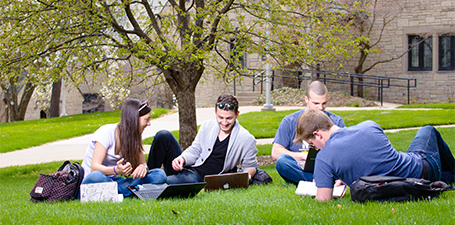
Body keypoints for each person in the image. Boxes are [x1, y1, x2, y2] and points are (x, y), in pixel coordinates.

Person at [294, 109, 455, 201]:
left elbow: (323, 199)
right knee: (428, 130)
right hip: (424, 169)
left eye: (313, 144)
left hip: (410, 184)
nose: (315, 149)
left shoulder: (324, 158)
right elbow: (378, 159)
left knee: (427, 131)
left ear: (317, 134)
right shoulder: (369, 126)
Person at [147, 94, 258, 184]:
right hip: (186, 168)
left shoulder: (246, 139)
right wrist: (182, 158)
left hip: (199, 178)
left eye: (229, 118)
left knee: (167, 182)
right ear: (215, 113)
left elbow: (251, 166)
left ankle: (153, 182)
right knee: (163, 135)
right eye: (220, 117)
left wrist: (245, 177)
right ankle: (150, 175)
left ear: (237, 114)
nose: (224, 123)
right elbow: (195, 149)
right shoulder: (207, 126)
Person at [81, 98, 166, 197]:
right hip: (96, 181)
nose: (149, 123)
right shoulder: (106, 132)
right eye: (146, 120)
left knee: (159, 175)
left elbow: (142, 163)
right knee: (96, 176)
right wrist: (116, 170)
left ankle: (119, 193)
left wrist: (142, 167)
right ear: (134, 119)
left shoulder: (134, 137)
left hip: (116, 182)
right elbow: (94, 167)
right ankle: (134, 191)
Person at [272, 80, 345, 185]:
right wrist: (302, 156)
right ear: (306, 99)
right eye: (316, 103)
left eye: (324, 103)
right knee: (283, 162)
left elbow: (344, 153)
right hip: (301, 166)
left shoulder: (336, 121)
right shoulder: (290, 121)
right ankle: (323, 183)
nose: (320, 108)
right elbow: (276, 152)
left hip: (328, 166)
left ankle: (318, 182)